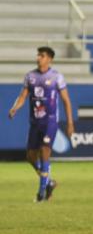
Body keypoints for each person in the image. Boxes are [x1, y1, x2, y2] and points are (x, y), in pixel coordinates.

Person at [8, 46, 74, 202]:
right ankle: (49, 181)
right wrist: (15, 108)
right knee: (31, 157)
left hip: (50, 121)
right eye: (38, 55)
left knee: (45, 151)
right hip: (35, 123)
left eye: (42, 55)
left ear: (49, 59)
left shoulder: (57, 77)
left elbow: (66, 100)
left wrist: (70, 123)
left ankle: (41, 193)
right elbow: (23, 96)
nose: (38, 58)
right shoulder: (30, 76)